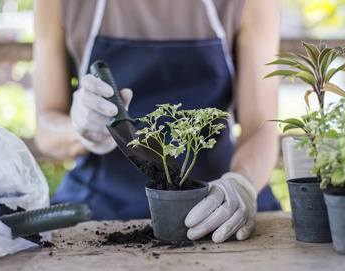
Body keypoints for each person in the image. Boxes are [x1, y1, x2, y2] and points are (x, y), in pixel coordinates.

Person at [33, 0, 281, 243]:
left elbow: (261, 126)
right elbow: (46, 127)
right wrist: (81, 129)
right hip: (102, 201)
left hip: (216, 199)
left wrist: (241, 183)